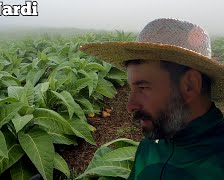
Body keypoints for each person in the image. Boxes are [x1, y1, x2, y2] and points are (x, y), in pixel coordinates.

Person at [80, 18, 224, 179]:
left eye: (143, 88)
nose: (130, 105)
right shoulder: (148, 148)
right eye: (132, 89)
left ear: (190, 85)